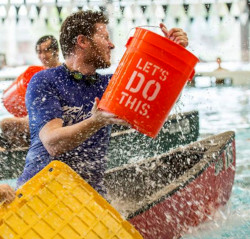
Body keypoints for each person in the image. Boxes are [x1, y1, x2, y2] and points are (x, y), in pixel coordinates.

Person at [17, 10, 188, 195]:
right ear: (82, 41)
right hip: (40, 191)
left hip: (90, 196)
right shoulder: (45, 80)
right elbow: (53, 144)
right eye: (105, 37)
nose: (112, 45)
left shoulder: (112, 85)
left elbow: (163, 98)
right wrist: (97, 120)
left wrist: (173, 53)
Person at [0, 35, 61, 148]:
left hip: (51, 122)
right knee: (8, 128)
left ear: (56, 51)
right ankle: (28, 150)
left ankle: (26, 153)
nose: (42, 56)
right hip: (39, 119)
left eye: (46, 51)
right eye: (39, 52)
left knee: (5, 124)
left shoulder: (61, 74)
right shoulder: (39, 74)